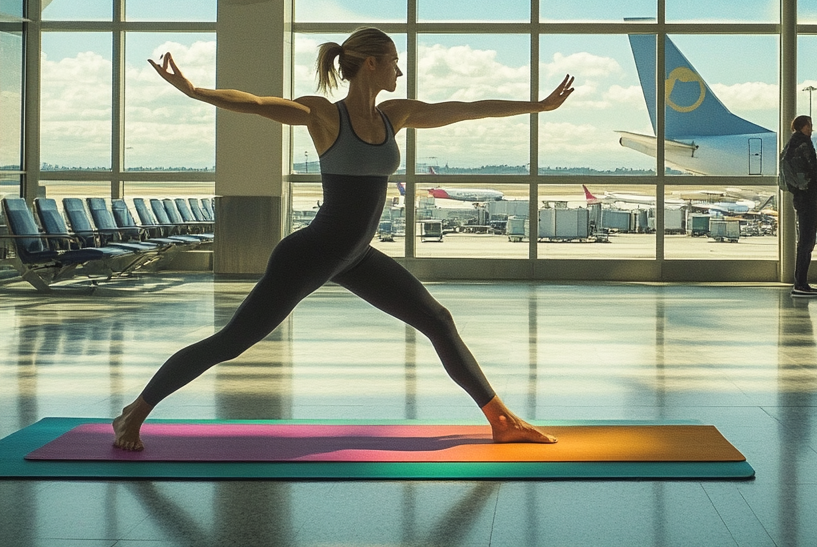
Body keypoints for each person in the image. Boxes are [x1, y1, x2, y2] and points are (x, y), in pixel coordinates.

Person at [111, 27, 573, 450]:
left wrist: (537, 106)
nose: (400, 70)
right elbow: (255, 102)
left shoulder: (397, 113)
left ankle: (502, 420)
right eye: (394, 60)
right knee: (233, 341)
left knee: (438, 320)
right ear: (371, 62)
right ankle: (135, 412)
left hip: (354, 256)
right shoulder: (323, 115)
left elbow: (470, 110)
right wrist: (193, 91)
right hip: (311, 253)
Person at [780, 115, 817, 298]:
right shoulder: (803, 143)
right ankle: (800, 283)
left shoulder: (792, 143)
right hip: (807, 197)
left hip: (801, 197)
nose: (812, 129)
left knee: (805, 241)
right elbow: (813, 169)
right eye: (810, 125)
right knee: (807, 241)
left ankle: (800, 282)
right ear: (803, 126)